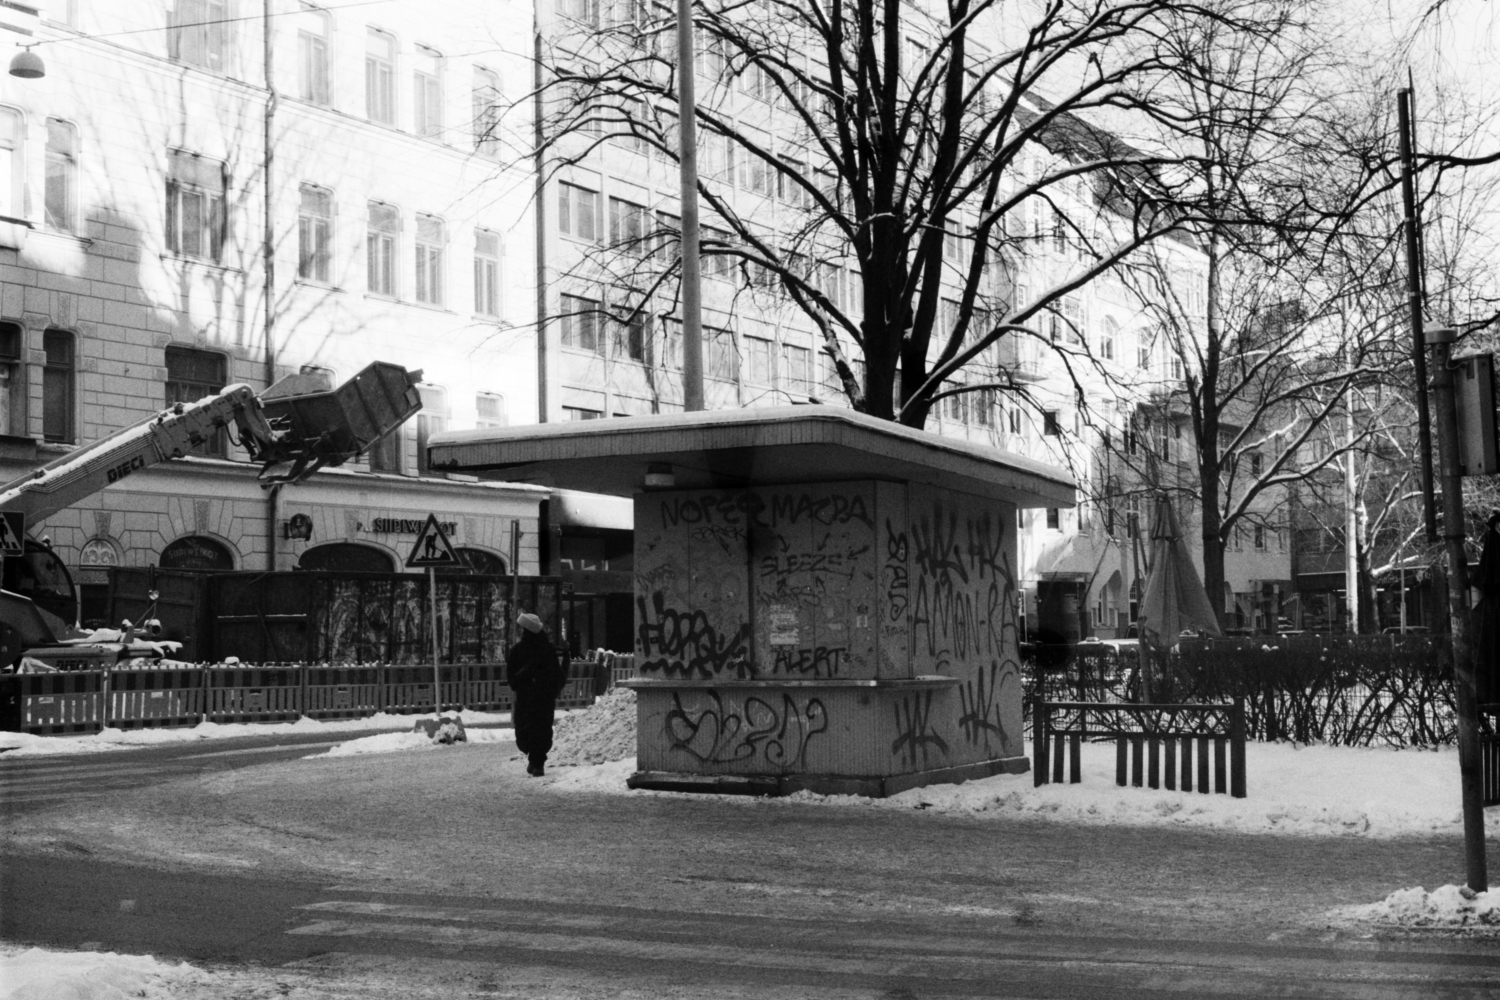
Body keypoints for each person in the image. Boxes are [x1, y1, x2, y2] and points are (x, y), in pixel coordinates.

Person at [507, 612, 567, 776]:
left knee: (537, 729)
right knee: (530, 730)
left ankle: (538, 762)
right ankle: (534, 759)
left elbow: (553, 674)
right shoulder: (520, 650)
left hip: (538, 697)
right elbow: (512, 674)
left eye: (522, 629)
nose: (520, 632)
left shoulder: (544, 650)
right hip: (535, 698)